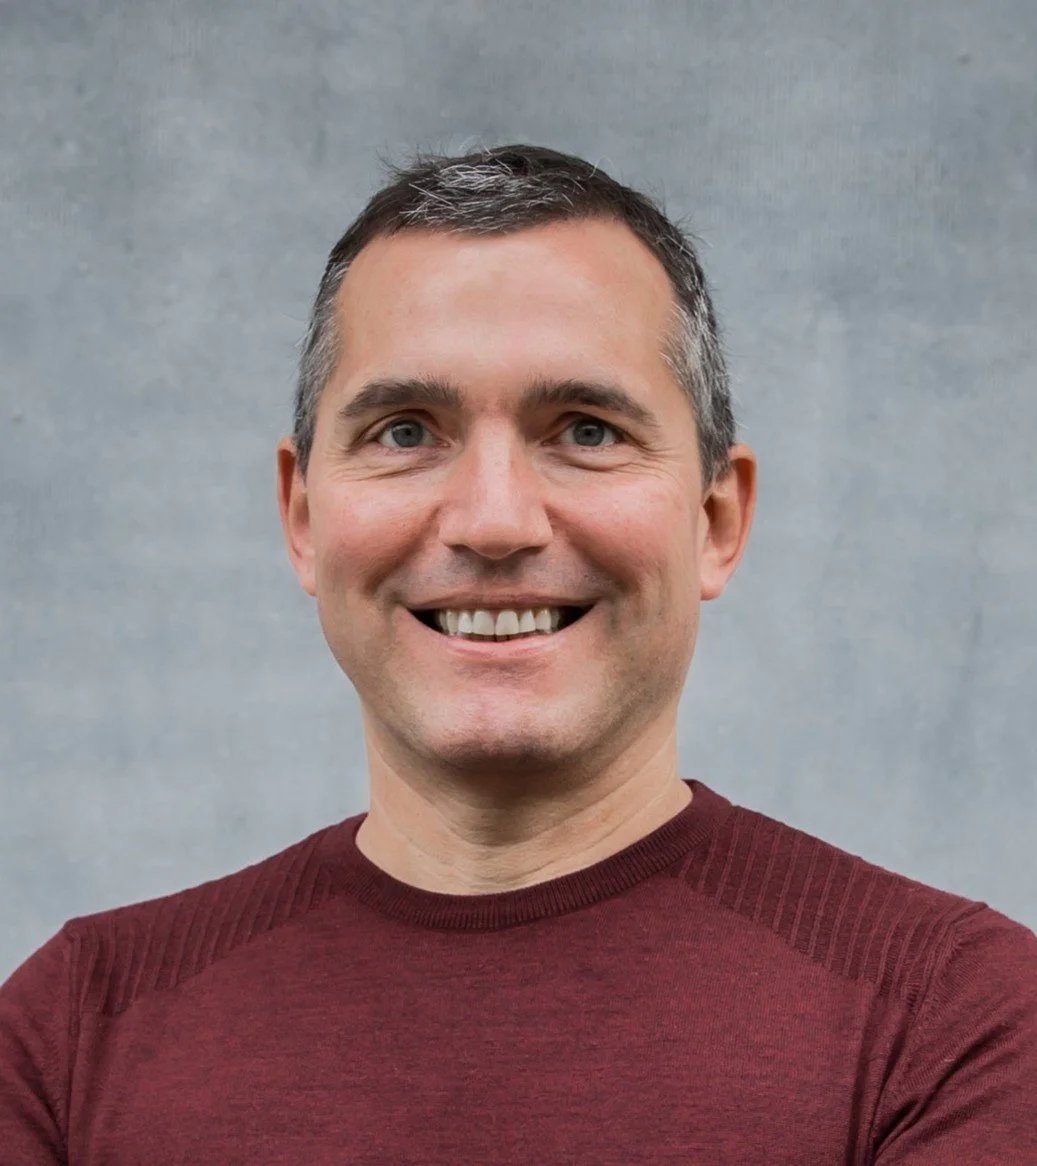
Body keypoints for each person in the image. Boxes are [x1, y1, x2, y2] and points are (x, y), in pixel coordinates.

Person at [1, 144, 1034, 1164]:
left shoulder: (955, 1021)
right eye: (405, 432)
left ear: (715, 520)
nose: (493, 521)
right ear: (303, 517)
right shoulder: (68, 1037)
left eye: (585, 430)